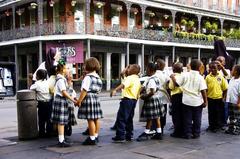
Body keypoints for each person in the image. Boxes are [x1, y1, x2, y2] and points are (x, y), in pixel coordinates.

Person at [170, 59, 207, 139]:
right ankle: (196, 133)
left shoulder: (185, 75)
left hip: (186, 101)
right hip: (197, 101)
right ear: (199, 67)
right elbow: (203, 91)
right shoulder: (200, 77)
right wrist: (205, 102)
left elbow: (177, 84)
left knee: (187, 118)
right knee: (197, 118)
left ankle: (188, 134)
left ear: (190, 65)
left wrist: (173, 77)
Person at [111, 64, 141, 142]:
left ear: (132, 70)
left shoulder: (130, 78)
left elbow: (123, 85)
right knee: (129, 119)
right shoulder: (137, 79)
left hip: (127, 100)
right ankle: (129, 135)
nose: (127, 70)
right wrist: (127, 68)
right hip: (134, 100)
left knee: (121, 118)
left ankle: (120, 136)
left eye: (129, 68)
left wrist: (115, 90)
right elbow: (122, 74)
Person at [76, 57, 103, 145]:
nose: (83, 66)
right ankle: (95, 136)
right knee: (96, 118)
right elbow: (99, 90)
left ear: (88, 66)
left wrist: (79, 101)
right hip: (95, 98)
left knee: (90, 119)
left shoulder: (88, 77)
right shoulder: (98, 77)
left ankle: (91, 139)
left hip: (88, 97)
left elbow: (84, 90)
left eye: (84, 65)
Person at [51, 59, 77, 147]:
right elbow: (64, 92)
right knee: (61, 122)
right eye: (66, 68)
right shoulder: (61, 79)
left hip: (60, 101)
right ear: (62, 69)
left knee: (60, 122)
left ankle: (61, 139)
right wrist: (73, 100)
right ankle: (61, 141)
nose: (67, 70)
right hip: (61, 100)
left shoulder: (61, 78)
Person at [136, 63, 164, 141]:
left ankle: (146, 132)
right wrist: (138, 93)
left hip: (151, 99)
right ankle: (159, 132)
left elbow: (152, 91)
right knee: (157, 117)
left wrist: (144, 96)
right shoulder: (154, 78)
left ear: (151, 70)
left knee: (150, 117)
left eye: (147, 69)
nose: (146, 70)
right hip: (157, 99)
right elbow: (143, 86)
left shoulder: (151, 80)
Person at [205, 62, 228, 133]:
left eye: (214, 68)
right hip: (210, 98)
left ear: (217, 68)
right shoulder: (208, 77)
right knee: (211, 112)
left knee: (218, 113)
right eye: (211, 68)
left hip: (219, 98)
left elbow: (225, 88)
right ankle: (211, 125)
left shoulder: (221, 77)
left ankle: (218, 126)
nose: (212, 69)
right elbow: (205, 89)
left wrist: (224, 98)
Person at [30, 69, 51, 138]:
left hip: (41, 104)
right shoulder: (48, 83)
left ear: (38, 76)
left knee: (41, 119)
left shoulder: (37, 84)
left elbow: (30, 89)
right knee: (48, 118)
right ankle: (49, 132)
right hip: (49, 103)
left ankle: (42, 133)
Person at [155, 59, 170, 133]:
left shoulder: (153, 74)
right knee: (163, 114)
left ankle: (156, 129)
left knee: (156, 114)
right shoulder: (165, 75)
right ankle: (162, 128)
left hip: (155, 97)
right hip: (164, 97)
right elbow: (169, 85)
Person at [169, 62, 184, 138]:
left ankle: (177, 132)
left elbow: (171, 87)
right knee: (182, 114)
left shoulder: (173, 77)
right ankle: (182, 130)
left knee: (176, 115)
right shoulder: (184, 76)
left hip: (175, 97)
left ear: (173, 69)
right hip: (183, 96)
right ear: (182, 69)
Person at [225, 65, 240, 135]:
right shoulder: (232, 79)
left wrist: (239, 102)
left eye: (233, 70)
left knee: (237, 116)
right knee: (231, 116)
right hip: (230, 101)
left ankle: (237, 129)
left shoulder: (239, 81)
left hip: (236, 101)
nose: (231, 71)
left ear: (236, 72)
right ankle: (231, 128)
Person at [64, 69, 77, 136]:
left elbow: (72, 93)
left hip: (69, 102)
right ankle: (67, 129)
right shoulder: (66, 83)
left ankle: (68, 128)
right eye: (69, 75)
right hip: (68, 102)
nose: (70, 76)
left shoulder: (69, 83)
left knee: (68, 117)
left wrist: (75, 100)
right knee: (67, 117)